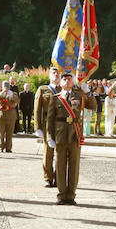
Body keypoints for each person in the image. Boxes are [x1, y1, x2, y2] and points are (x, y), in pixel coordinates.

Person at [47, 71, 93, 205]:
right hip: (60, 135)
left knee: (74, 165)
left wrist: (88, 92)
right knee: (60, 166)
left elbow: (93, 106)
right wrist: (50, 137)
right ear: (60, 83)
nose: (67, 81)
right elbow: (50, 119)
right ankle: (61, 195)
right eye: (64, 80)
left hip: (75, 134)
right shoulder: (55, 98)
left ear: (73, 82)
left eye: (69, 79)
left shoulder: (79, 95)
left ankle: (71, 195)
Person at [35, 70, 60, 188]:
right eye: (54, 73)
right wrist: (37, 127)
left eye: (58, 73)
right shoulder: (43, 89)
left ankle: (58, 177)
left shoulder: (63, 90)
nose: (56, 75)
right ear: (49, 76)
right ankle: (48, 176)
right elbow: (37, 109)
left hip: (61, 124)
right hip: (47, 124)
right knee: (48, 151)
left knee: (60, 152)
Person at [0, 81, 18, 153]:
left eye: (7, 86)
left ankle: (8, 147)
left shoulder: (13, 93)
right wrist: (3, 92)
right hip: (1, 115)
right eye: (5, 86)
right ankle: (0, 146)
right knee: (1, 132)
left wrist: (11, 95)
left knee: (10, 133)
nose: (6, 88)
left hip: (11, 115)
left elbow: (17, 100)